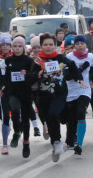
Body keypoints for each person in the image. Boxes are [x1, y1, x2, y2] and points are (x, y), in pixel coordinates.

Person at [32, 33, 84, 162]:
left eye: (51, 44)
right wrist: (36, 74)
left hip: (59, 94)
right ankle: (56, 143)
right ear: (41, 46)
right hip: (42, 96)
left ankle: (58, 138)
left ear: (55, 45)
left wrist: (79, 79)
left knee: (55, 115)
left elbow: (72, 66)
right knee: (49, 118)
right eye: (45, 45)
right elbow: (29, 76)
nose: (48, 47)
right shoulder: (37, 60)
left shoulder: (61, 58)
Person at [2, 36, 38, 158]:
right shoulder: (8, 61)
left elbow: (34, 76)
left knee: (26, 119)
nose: (17, 49)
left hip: (26, 93)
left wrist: (27, 74)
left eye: (19, 47)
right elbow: (4, 77)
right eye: (15, 46)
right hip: (12, 92)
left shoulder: (28, 61)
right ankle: (17, 131)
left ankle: (26, 143)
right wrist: (2, 87)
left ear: (23, 48)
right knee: (15, 111)